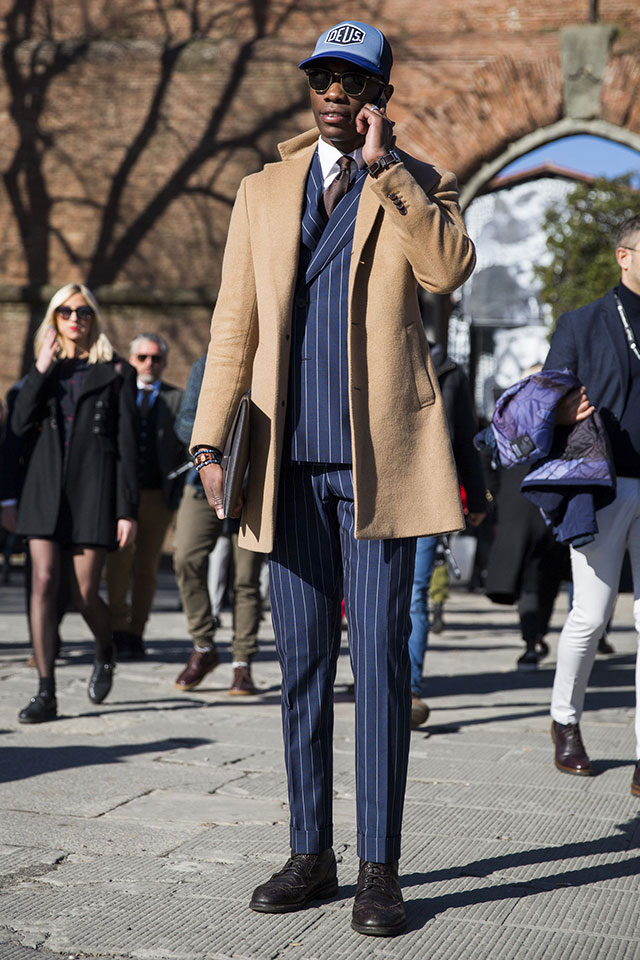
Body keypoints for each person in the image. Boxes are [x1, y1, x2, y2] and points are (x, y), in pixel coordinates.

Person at [190, 21, 475, 936]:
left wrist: (390, 173)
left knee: (379, 664)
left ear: (380, 98)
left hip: (378, 467)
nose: (333, 95)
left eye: (353, 83)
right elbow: (234, 323)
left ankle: (379, 872)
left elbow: (447, 270)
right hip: (284, 464)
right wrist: (208, 444)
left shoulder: (419, 182)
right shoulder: (262, 191)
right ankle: (310, 853)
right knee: (302, 667)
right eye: (321, 79)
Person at [11, 283, 138, 723]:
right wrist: (40, 369)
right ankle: (45, 691)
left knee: (85, 593)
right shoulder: (45, 370)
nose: (74, 319)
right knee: (43, 582)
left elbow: (127, 447)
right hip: (43, 491)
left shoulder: (117, 371)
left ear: (93, 318)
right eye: (65, 312)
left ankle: (105, 648)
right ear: (54, 318)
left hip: (93, 492)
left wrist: (127, 510)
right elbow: (17, 426)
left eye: (82, 312)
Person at [544, 215, 640, 794]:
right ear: (624, 256)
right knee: (592, 614)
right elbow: (544, 398)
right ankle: (565, 720)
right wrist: (558, 410)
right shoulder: (582, 323)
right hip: (603, 484)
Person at [173, 356, 264, 695]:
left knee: (246, 579)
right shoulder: (208, 362)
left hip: (255, 487)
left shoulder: (273, 360)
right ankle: (204, 645)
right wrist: (214, 451)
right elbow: (185, 421)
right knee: (186, 558)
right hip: (203, 483)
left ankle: (242, 663)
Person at [408, 342, 487, 728]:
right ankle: (375, 677)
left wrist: (476, 497)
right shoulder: (368, 350)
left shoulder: (450, 371)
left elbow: (465, 440)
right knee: (368, 594)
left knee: (415, 593)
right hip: (373, 495)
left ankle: (408, 689)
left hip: (428, 494)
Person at [106, 333, 185, 660]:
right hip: (121, 495)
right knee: (117, 562)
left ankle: (136, 632)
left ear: (165, 362)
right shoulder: (116, 393)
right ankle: (116, 628)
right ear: (132, 360)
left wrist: (176, 492)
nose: (149, 363)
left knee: (147, 567)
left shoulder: (176, 399)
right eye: (142, 357)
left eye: (156, 358)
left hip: (157, 496)